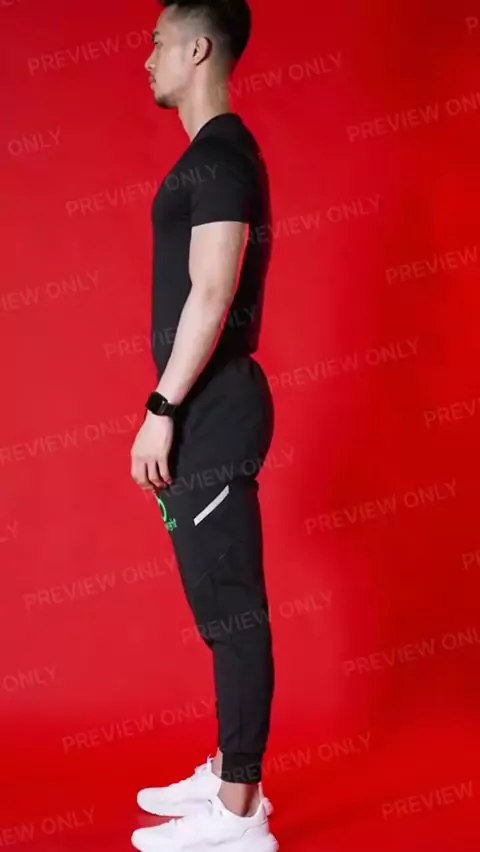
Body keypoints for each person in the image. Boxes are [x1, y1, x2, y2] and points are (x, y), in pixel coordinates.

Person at [130, 1, 278, 849]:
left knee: (233, 609)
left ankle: (240, 814)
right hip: (204, 409)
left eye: (157, 43)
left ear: (196, 49)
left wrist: (161, 409)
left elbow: (213, 293)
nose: (147, 58)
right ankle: (228, 769)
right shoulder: (213, 154)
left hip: (212, 409)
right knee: (216, 606)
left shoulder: (219, 156)